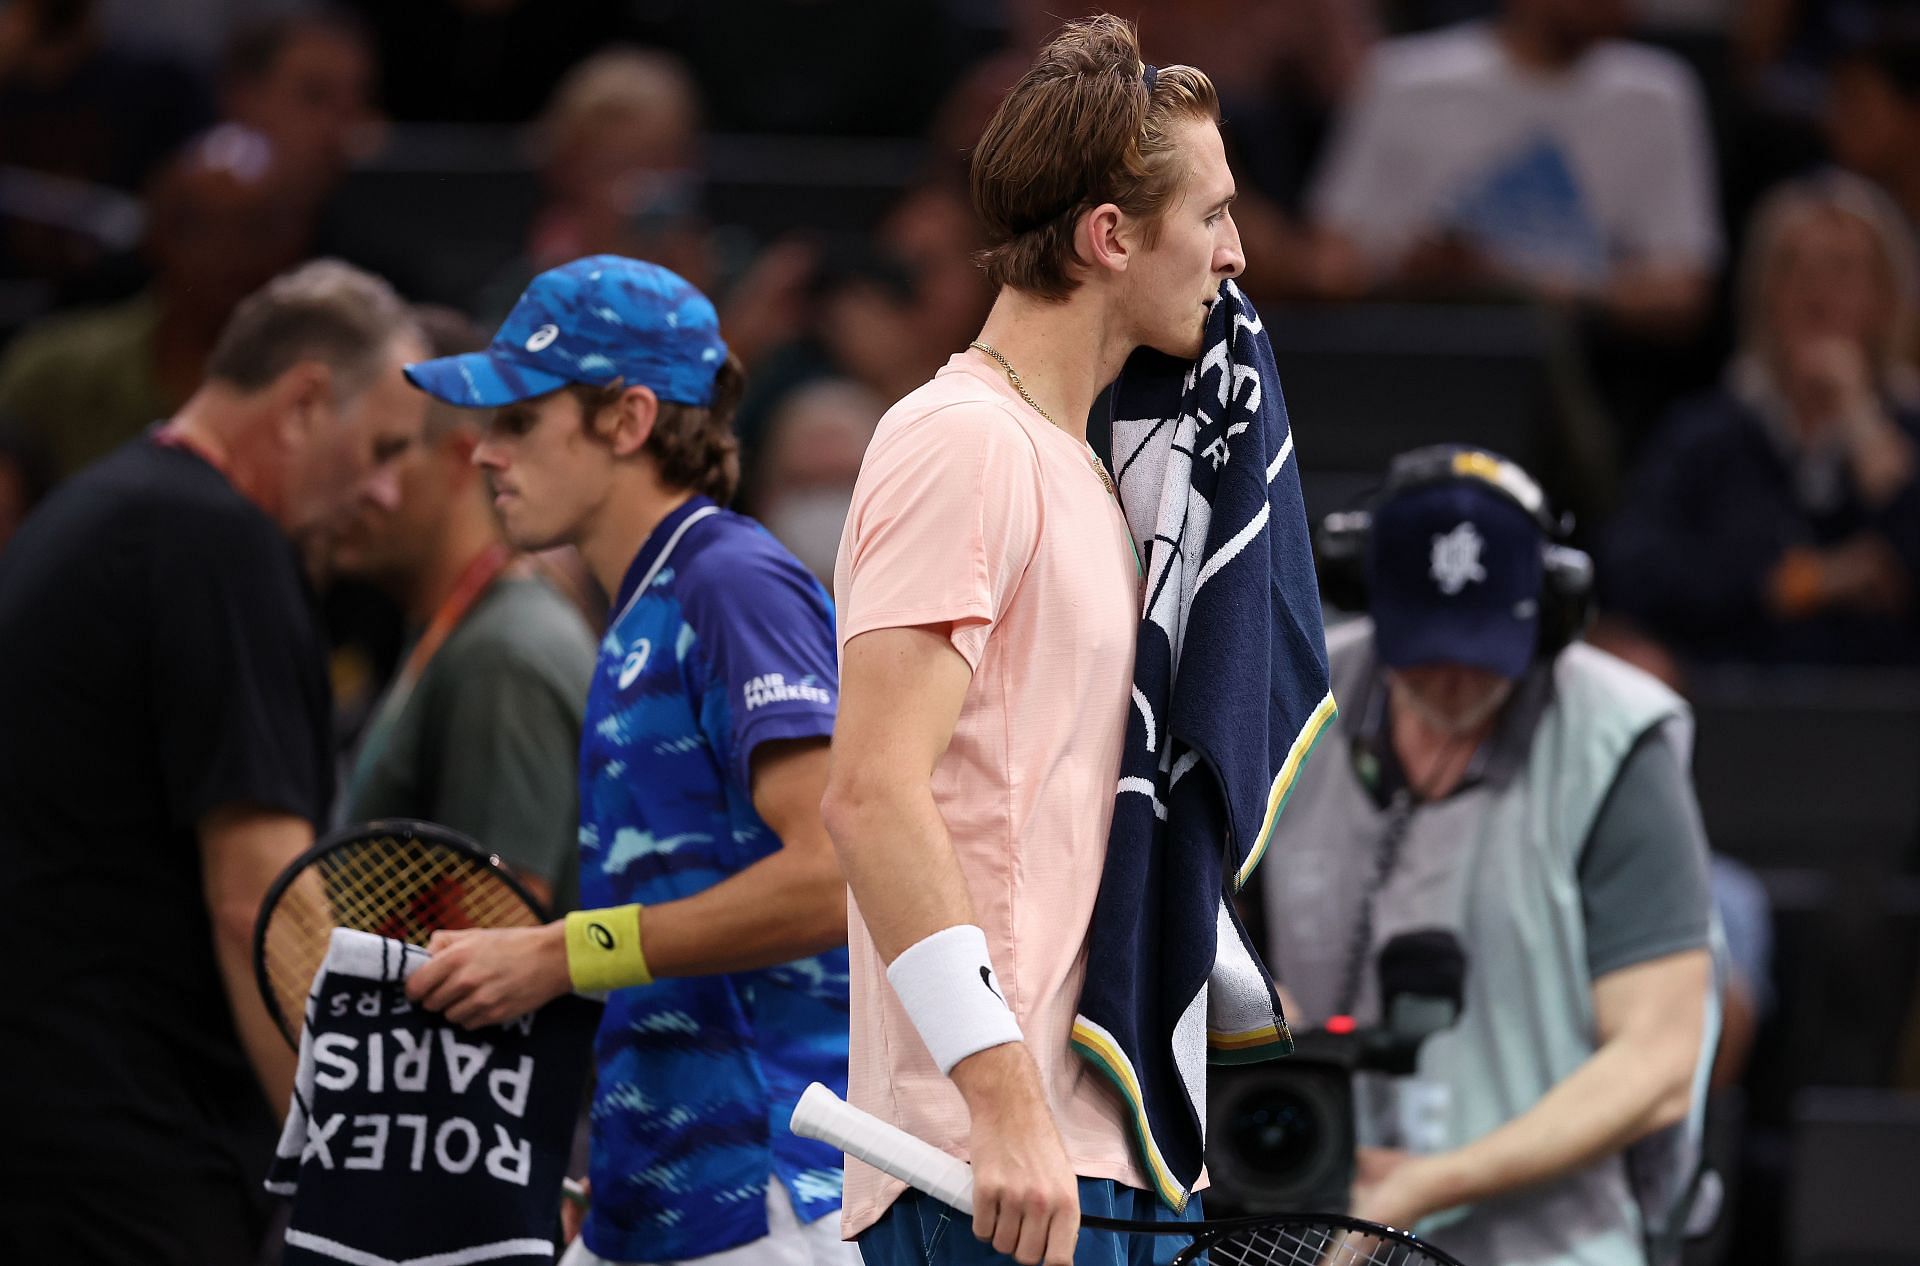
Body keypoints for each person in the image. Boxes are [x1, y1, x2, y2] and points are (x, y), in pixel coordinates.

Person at [819, 16, 1246, 1266]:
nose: (1238, 252)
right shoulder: (958, 442)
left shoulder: (1085, 473)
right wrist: (1003, 1101)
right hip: (988, 1161)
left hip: (1102, 1144)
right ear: (1111, 238)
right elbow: (869, 793)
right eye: (1211, 216)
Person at [396, 255, 854, 1266]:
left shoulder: (729, 578)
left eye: (518, 420)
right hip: (653, 1203)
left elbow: (831, 878)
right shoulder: (646, 601)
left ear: (629, 419)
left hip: (767, 1197)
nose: (481, 453)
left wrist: (558, 954)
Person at [0, 259, 426, 1265]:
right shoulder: (218, 546)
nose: (385, 494)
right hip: (132, 1151)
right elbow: (261, 907)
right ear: (305, 399)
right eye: (379, 449)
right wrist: (367, 1180)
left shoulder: (95, 511)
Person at [1256, 445, 1717, 1266]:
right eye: (1426, 647)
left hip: (1551, 1246)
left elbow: (1659, 1063)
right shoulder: (1297, 702)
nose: (1455, 674)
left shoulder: (1618, 741)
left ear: (1552, 610)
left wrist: (1430, 1184)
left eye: (1481, 645)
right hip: (1321, 1232)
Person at [331, 305, 596, 910]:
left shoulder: (503, 654)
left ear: (458, 460)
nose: (355, 485)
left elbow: (497, 935)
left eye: (385, 451)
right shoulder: (471, 629)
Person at [1604, 171, 1920, 666]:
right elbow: (1633, 571)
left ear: (1885, 300)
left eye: (1843, 271)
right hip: (1736, 709)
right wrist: (1800, 582)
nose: (1818, 295)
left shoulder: (1908, 432)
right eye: (1796, 268)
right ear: (1765, 292)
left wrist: (1865, 426)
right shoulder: (1705, 435)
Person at [1307, 0, 1722, 336]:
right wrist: (1409, 270)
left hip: (1584, 362)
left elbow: (1682, 291)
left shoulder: (1656, 94)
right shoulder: (1405, 79)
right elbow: (1331, 261)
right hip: (1415, 342)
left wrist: (1514, 282)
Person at [0, 123, 319, 476]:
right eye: (199, 226)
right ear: (156, 234)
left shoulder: (335, 384)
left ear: (298, 242)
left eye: (258, 228)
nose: (228, 252)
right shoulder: (54, 373)